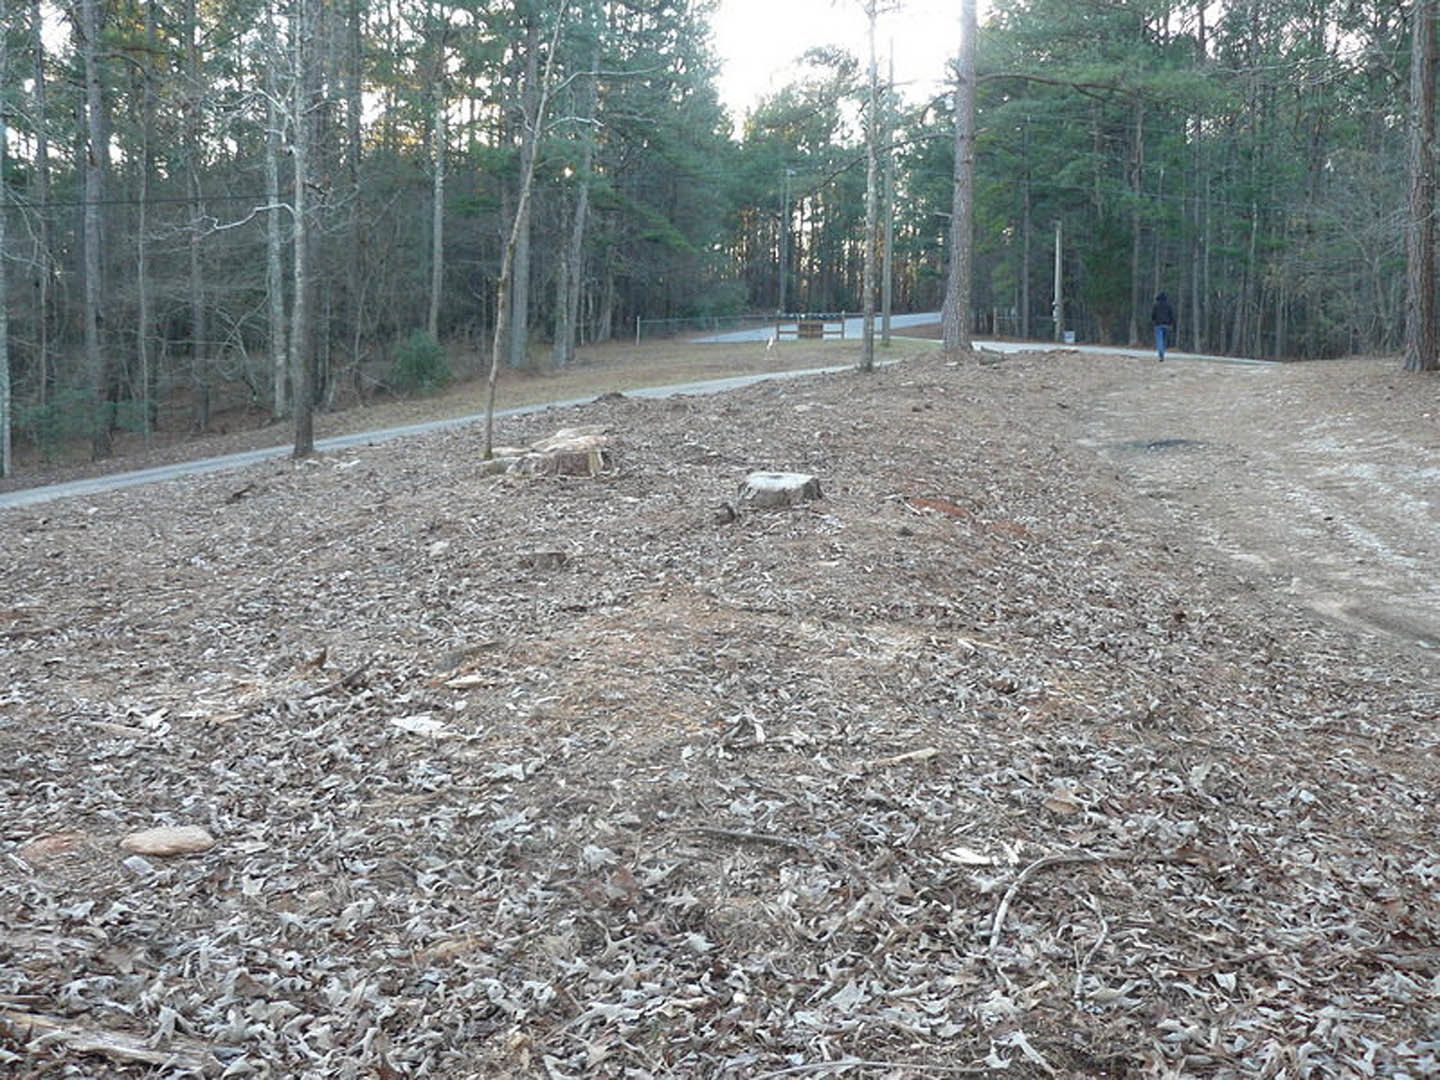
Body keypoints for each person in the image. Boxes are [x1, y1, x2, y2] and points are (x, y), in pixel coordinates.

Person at [1150, 292, 1176, 360]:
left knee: (1159, 340)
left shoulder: (1156, 305)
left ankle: (1161, 354)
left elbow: (1153, 315)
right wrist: (1172, 324)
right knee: (1164, 341)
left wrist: (1153, 321)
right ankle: (1162, 353)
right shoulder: (1169, 305)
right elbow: (1172, 316)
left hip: (1158, 325)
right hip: (1166, 325)